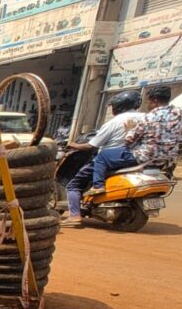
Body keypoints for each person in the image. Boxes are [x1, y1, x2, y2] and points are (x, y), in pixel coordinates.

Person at [90, 84, 182, 194]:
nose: (148, 105)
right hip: (169, 158)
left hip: (143, 157)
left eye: (148, 102)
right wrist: (179, 138)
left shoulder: (148, 117)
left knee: (102, 157)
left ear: (154, 101)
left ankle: (98, 186)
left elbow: (129, 139)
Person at [61, 91, 144, 226]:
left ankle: (74, 216)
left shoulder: (115, 122)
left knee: (73, 185)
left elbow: (91, 145)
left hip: (112, 158)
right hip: (137, 157)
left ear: (119, 106)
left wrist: (72, 144)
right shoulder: (146, 118)